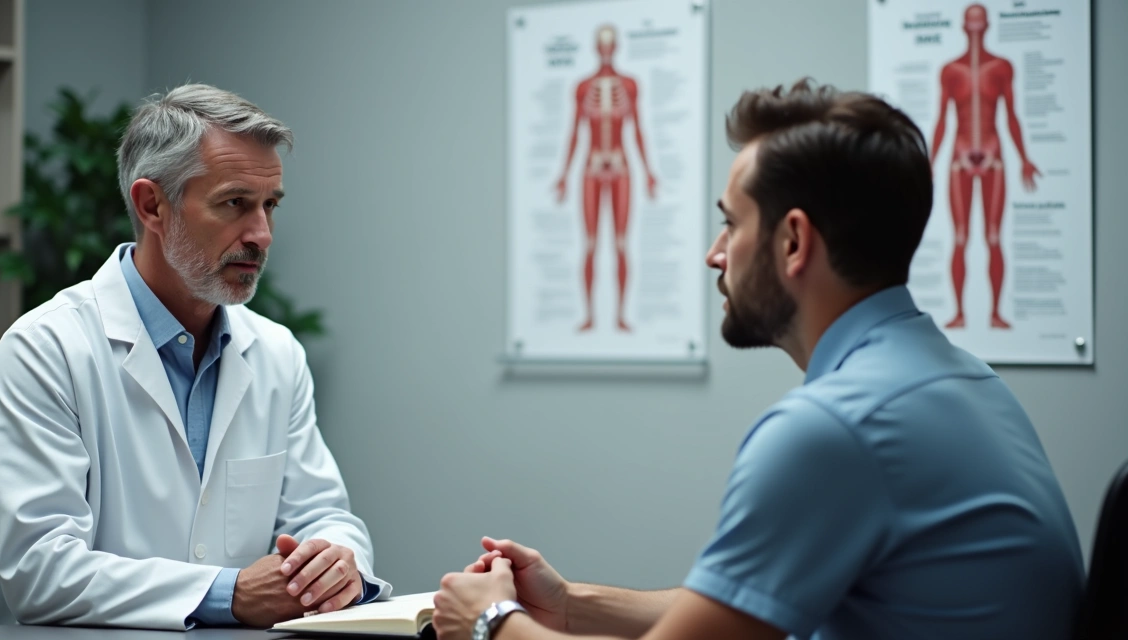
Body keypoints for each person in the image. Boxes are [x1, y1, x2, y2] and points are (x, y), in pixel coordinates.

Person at [433, 80, 1083, 640]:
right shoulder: (960, 380)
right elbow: (746, 611)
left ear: (794, 240)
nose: (716, 254)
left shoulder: (836, 429)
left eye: (732, 224)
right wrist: (570, 605)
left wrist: (494, 623)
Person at [0, 84, 391, 630]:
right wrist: (229, 594)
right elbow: (39, 571)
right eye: (235, 203)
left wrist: (333, 561)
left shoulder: (277, 353)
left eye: (270, 206)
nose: (262, 234)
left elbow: (320, 512)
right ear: (152, 205)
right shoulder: (45, 350)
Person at [930, 3, 1041, 330]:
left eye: (980, 25)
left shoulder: (1001, 67)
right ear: (965, 27)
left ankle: (994, 313)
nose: (976, 31)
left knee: (993, 237)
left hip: (992, 154)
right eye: (971, 25)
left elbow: (1011, 117)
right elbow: (942, 121)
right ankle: (960, 313)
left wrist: (1024, 158)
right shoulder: (950, 70)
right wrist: (930, 162)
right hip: (959, 157)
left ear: (987, 26)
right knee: (961, 237)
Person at [554, 24, 657, 332]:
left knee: (622, 244)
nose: (607, 49)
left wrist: (649, 171)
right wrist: (563, 173)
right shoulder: (583, 87)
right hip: (592, 167)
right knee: (590, 244)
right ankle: (589, 316)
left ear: (617, 47)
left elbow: (638, 128)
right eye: (602, 44)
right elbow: (574, 131)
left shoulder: (630, 84)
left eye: (611, 44)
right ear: (596, 47)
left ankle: (620, 316)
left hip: (622, 167)